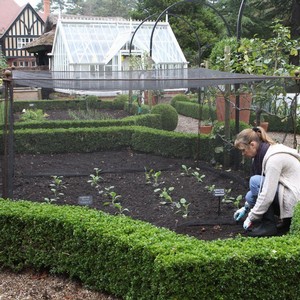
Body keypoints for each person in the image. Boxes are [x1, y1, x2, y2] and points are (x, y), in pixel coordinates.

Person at [233, 126, 300, 237]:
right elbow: (260, 191)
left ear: (252, 145)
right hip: (290, 195)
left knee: (255, 181)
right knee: (250, 197)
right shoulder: (262, 154)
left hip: (296, 200)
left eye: (243, 150)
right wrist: (245, 208)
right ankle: (286, 224)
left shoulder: (274, 158)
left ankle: (268, 225)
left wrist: (251, 217)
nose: (243, 154)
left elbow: (267, 193)